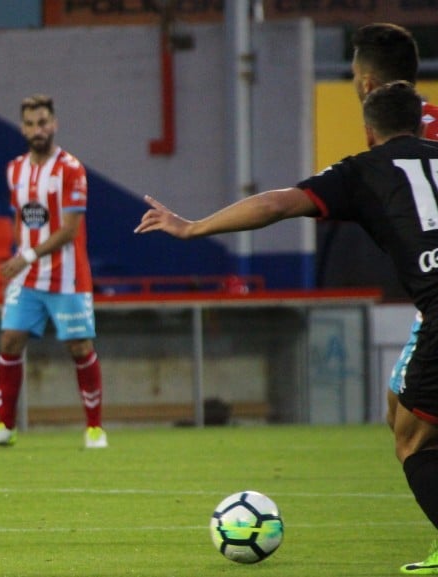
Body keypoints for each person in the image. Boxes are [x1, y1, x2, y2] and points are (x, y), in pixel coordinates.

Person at [135, 81, 438, 575]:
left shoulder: (363, 170)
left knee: (413, 441)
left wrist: (192, 227)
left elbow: (276, 205)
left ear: (368, 131)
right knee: (402, 411)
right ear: (422, 121)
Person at [0, 94, 106, 450]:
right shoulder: (15, 169)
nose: (37, 130)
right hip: (28, 275)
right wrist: (22, 253)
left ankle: (95, 428)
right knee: (10, 340)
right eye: (30, 124)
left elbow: (70, 230)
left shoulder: (71, 169)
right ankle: (5, 426)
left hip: (68, 276)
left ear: (54, 124)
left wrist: (25, 254)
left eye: (43, 122)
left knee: (79, 346)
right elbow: (20, 217)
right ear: (22, 128)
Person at [347, 23, 438, 439]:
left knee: (408, 424)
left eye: (352, 76)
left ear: (367, 83)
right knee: (397, 408)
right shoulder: (428, 123)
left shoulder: (397, 147)